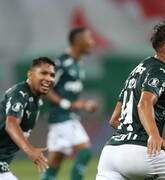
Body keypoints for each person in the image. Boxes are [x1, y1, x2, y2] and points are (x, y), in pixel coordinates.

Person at [96, 23, 165, 180]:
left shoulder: (138, 70)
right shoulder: (160, 70)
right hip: (141, 153)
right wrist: (154, 135)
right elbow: (144, 104)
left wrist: (147, 134)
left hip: (111, 154)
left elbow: (115, 119)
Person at [42, 27, 97, 180]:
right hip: (61, 117)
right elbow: (46, 89)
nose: (92, 42)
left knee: (54, 164)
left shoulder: (78, 64)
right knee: (85, 152)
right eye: (89, 39)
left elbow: (71, 96)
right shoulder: (61, 63)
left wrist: (84, 104)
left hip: (66, 117)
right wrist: (69, 105)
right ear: (78, 42)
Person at [0, 57, 55, 180]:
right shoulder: (20, 93)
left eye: (52, 75)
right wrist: (30, 150)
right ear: (30, 74)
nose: (48, 78)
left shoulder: (36, 101)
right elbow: (11, 124)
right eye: (43, 73)